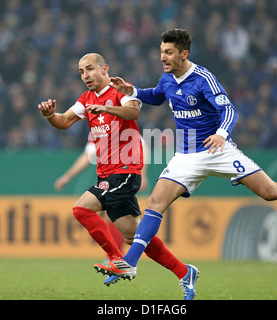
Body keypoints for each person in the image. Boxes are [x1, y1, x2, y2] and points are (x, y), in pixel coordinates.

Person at [94, 29, 277, 286]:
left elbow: (229, 110)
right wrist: (133, 91)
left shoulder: (203, 78)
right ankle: (130, 262)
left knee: (272, 192)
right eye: (161, 52)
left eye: (169, 53)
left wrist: (221, 134)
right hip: (185, 157)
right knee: (154, 204)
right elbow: (157, 95)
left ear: (184, 54)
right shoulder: (167, 79)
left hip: (218, 151)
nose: (162, 57)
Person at [38, 53, 198, 299]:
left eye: (89, 69)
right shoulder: (86, 99)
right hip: (108, 173)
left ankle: (117, 259)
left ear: (105, 69)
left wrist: (106, 107)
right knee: (135, 235)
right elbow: (63, 122)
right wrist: (50, 115)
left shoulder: (120, 90)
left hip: (125, 171)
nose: (85, 75)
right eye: (81, 72)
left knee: (81, 210)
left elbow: (134, 113)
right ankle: (184, 272)